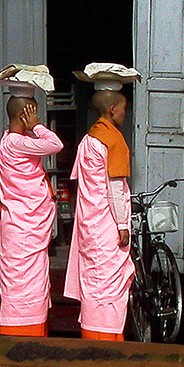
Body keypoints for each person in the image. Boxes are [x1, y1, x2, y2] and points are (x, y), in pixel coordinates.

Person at [63, 89, 134, 340]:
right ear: (112, 109)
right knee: (107, 282)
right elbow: (115, 188)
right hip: (106, 223)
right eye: (123, 108)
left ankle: (99, 332)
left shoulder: (88, 139)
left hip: (90, 221)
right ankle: (104, 335)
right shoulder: (111, 140)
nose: (125, 113)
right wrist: (123, 224)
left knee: (95, 277)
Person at [0, 89, 63, 337]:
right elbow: (55, 144)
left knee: (27, 280)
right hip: (24, 226)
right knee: (25, 283)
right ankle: (22, 331)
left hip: (23, 224)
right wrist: (37, 126)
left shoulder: (7, 140)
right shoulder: (17, 142)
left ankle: (30, 328)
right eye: (33, 113)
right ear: (25, 115)